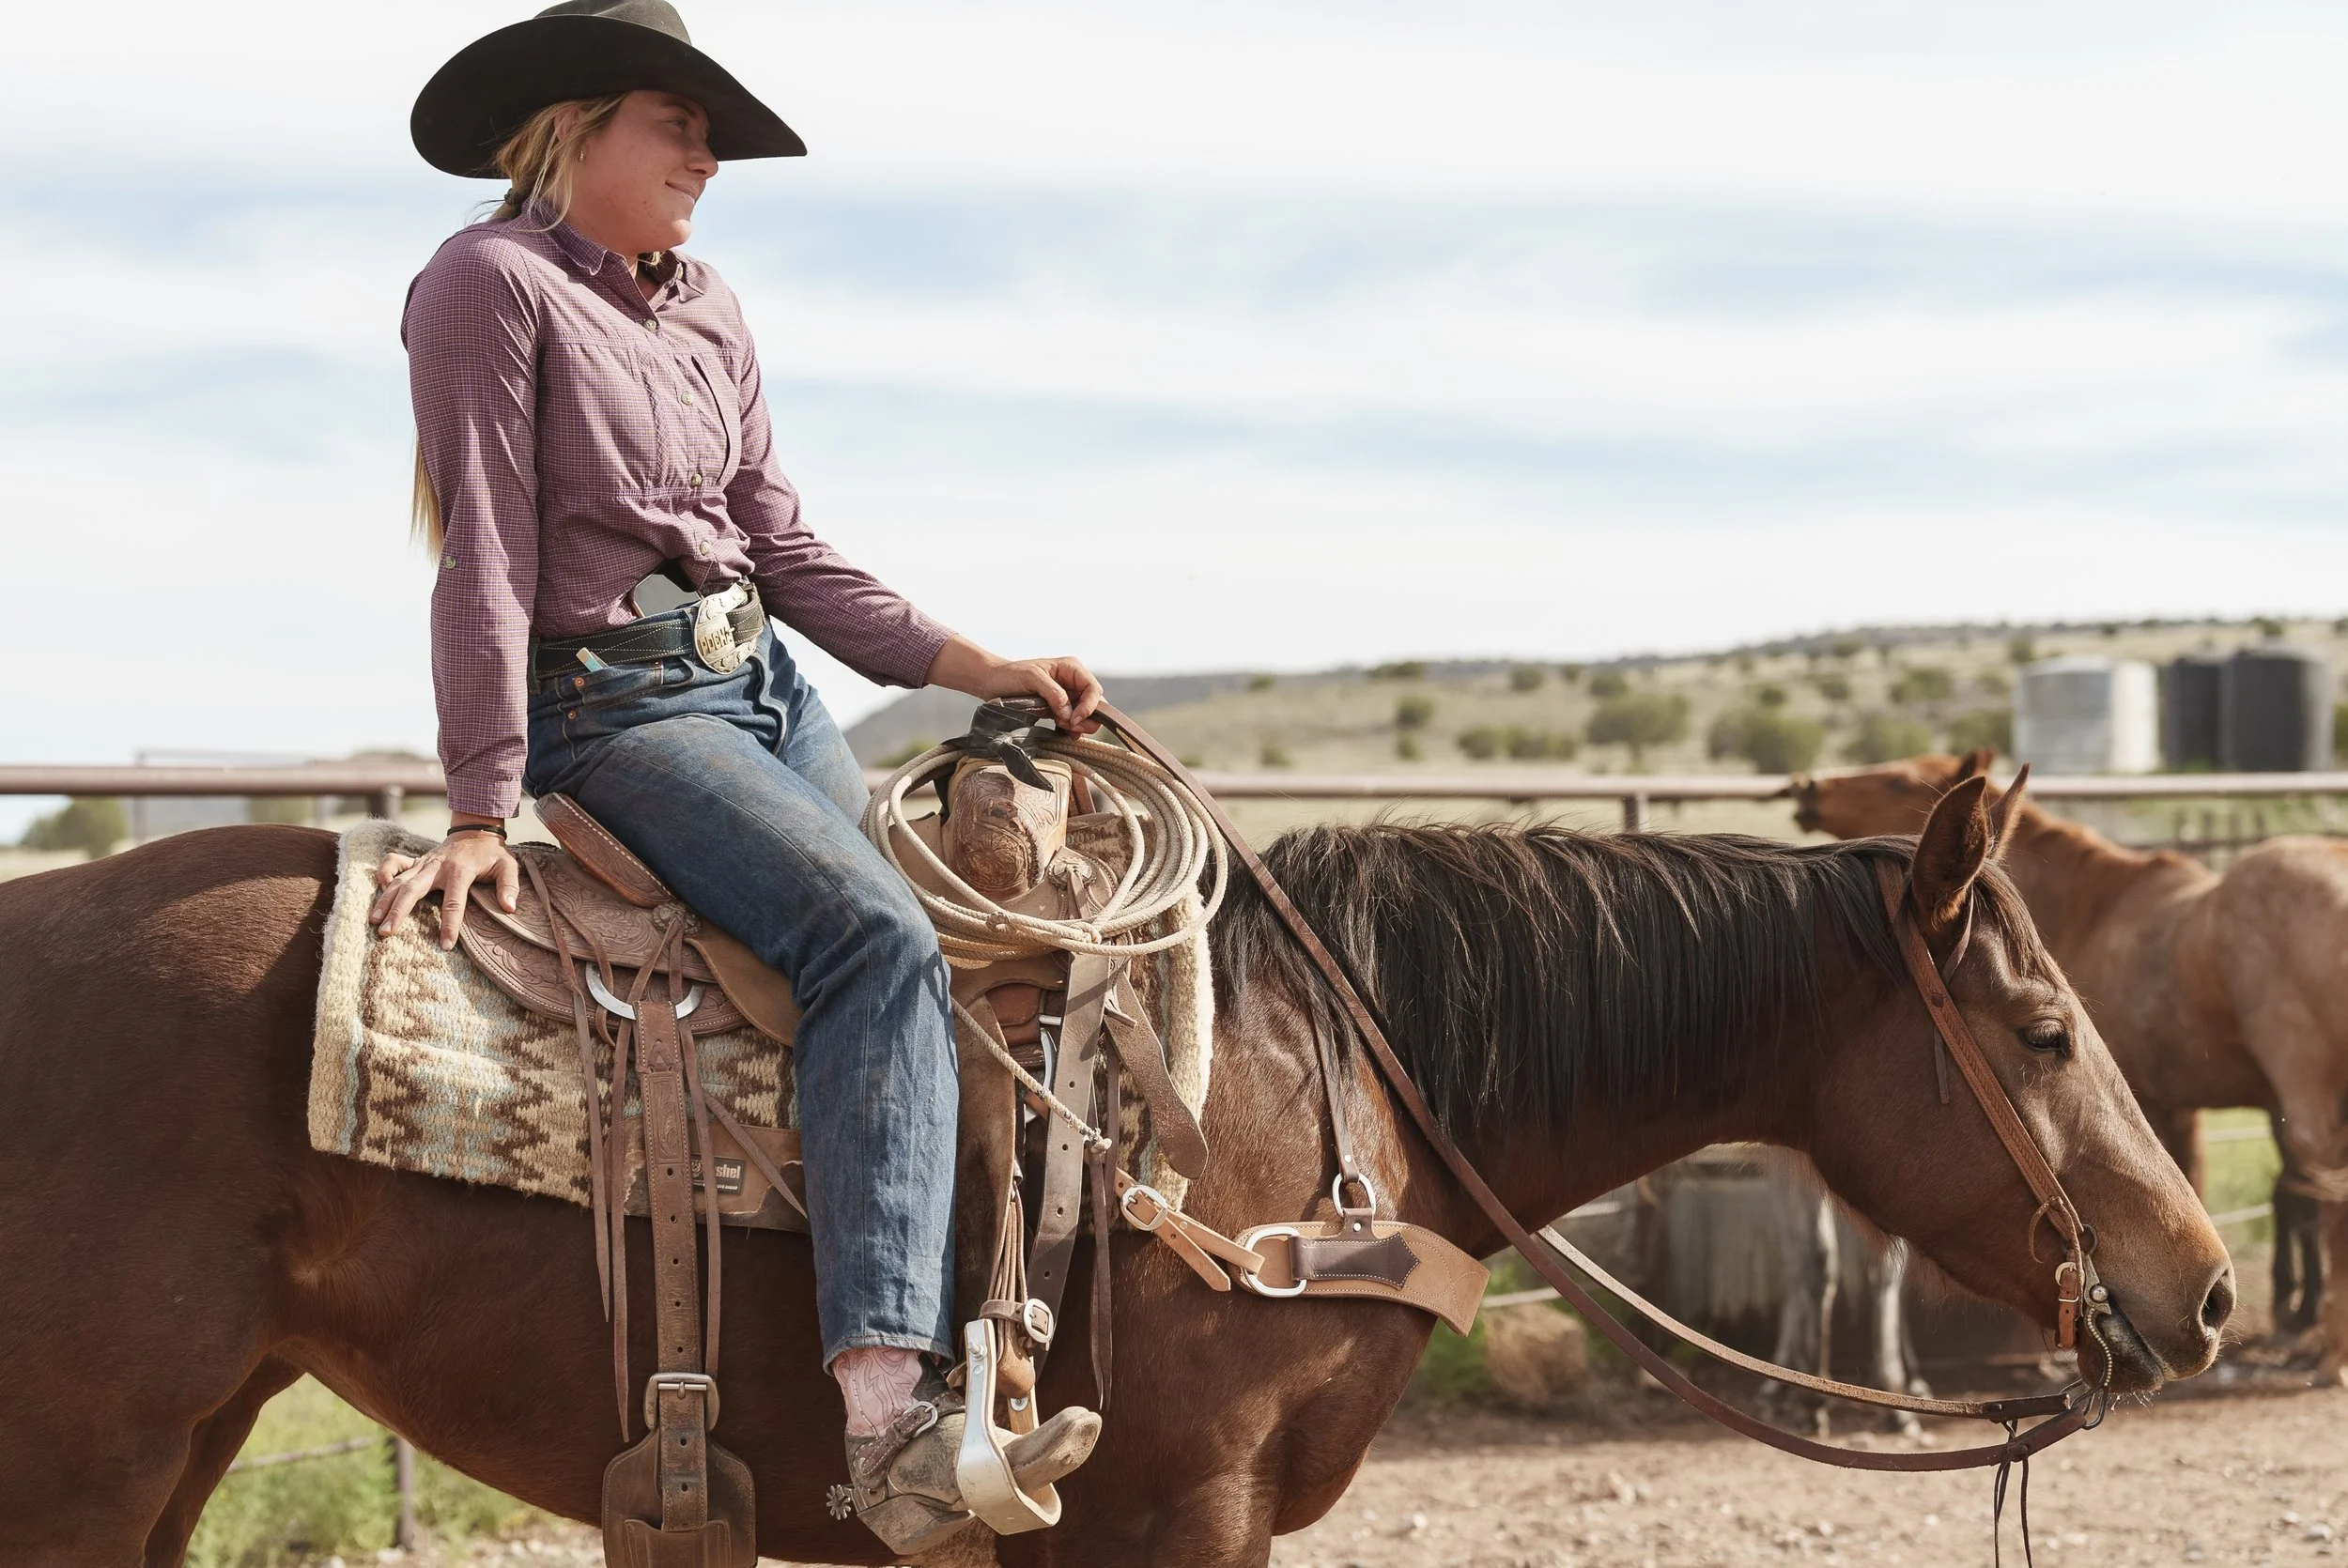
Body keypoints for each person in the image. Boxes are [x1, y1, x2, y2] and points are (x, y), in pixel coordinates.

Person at [371, 2, 1102, 1550]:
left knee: (963, 951)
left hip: (762, 683)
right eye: (676, 120)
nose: (708, 154)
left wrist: (974, 662)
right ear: (571, 128)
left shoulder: (709, 306)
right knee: (873, 940)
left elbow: (782, 542)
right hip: (616, 711)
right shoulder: (485, 284)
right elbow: (488, 554)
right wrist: (482, 802)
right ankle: (889, 1427)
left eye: (714, 132)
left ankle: (997, 1339)